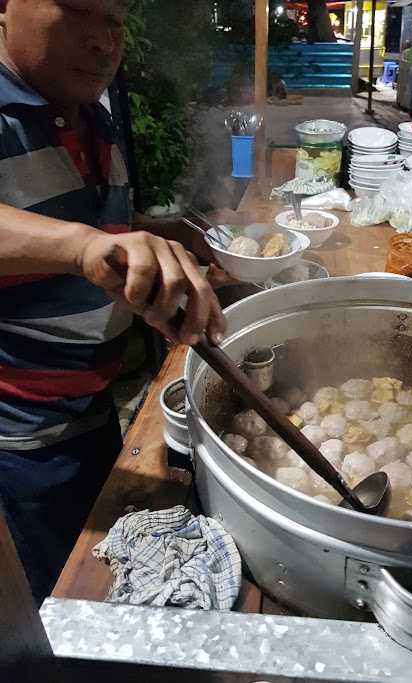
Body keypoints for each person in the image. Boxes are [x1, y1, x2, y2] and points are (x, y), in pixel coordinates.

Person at [0, 0, 226, 604]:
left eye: (115, 23)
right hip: (24, 435)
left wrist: (163, 230)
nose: (103, 42)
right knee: (63, 600)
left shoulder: (90, 121)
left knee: (112, 567)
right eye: (77, 11)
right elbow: (79, 240)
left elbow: (93, 226)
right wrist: (81, 245)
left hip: (93, 405)